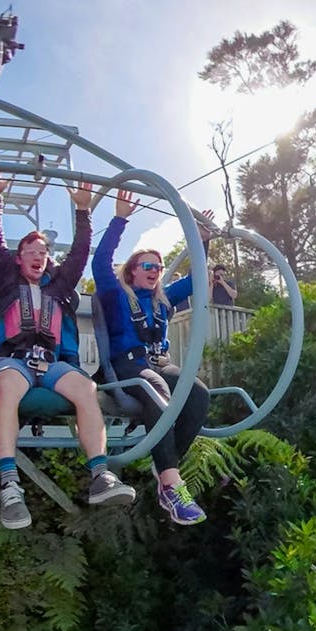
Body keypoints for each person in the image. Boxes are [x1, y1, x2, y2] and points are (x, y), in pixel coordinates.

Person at [0, 173, 136, 530]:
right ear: (18, 259)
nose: (38, 256)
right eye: (31, 252)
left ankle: (100, 473)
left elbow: (80, 256)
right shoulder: (7, 280)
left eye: (43, 252)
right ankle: (9, 483)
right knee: (6, 389)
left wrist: (83, 211)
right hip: (14, 360)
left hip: (49, 362)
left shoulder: (59, 285)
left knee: (87, 389)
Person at [92, 189, 214, 525]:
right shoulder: (117, 293)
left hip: (158, 363)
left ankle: (166, 473)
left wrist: (202, 241)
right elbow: (100, 263)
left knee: (198, 394)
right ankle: (173, 484)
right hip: (128, 366)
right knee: (156, 391)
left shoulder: (163, 299)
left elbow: (197, 279)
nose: (155, 270)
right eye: (148, 265)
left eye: (159, 267)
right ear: (132, 271)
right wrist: (119, 218)